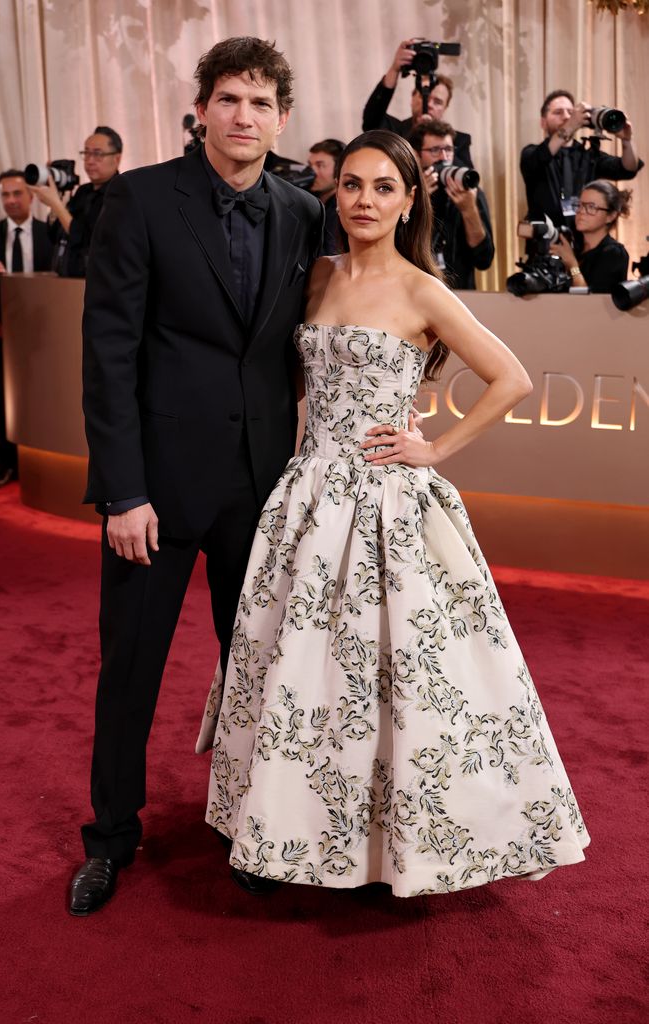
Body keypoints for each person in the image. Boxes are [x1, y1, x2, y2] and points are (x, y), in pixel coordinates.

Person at [200, 129, 590, 898]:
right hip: (307, 496)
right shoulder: (313, 275)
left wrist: (437, 449)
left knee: (396, 676)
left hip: (388, 506)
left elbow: (510, 379)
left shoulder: (422, 289)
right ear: (334, 193)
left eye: (384, 187)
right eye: (351, 185)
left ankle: (393, 845)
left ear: (410, 200)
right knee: (302, 672)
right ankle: (285, 830)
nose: (364, 200)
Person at [69, 36, 323, 916]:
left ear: (281, 117)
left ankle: (248, 828)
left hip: (263, 489)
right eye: (229, 99)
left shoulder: (301, 212)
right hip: (158, 491)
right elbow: (109, 355)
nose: (244, 116)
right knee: (130, 665)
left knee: (255, 670)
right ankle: (109, 836)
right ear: (202, 110)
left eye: (260, 103)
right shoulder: (138, 200)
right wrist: (123, 491)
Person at [0, 169, 54, 487]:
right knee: (2, 402)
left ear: (31, 197)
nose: (11, 200)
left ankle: (42, 464)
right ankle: (6, 461)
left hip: (43, 336)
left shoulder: (50, 233)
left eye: (17, 193)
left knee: (42, 399)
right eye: (4, 194)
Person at [520, 89, 642, 233]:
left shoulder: (588, 155)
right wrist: (570, 125)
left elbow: (627, 169)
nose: (566, 117)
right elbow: (541, 157)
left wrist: (627, 140)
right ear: (543, 122)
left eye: (570, 113)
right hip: (545, 242)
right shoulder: (531, 153)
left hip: (583, 243)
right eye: (558, 112)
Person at [362, 38, 473, 167]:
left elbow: (466, 177)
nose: (429, 104)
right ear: (412, 98)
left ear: (445, 108)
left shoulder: (458, 141)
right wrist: (395, 69)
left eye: (437, 102)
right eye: (423, 96)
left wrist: (443, 147)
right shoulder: (395, 132)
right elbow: (371, 119)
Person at [410, 119, 493, 289]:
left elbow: (484, 260)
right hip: (418, 292)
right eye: (434, 150)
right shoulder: (407, 193)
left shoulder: (470, 191)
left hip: (461, 294)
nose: (444, 157)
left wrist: (469, 211)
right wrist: (417, 201)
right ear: (417, 155)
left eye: (448, 149)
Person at [31, 126, 122, 277]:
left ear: (117, 158)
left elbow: (89, 239)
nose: (90, 161)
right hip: (67, 278)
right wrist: (57, 200)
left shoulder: (121, 193)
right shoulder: (82, 191)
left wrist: (56, 204)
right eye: (86, 153)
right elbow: (56, 235)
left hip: (98, 282)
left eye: (97, 154)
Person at [550, 179, 631, 294]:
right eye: (580, 205)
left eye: (591, 207)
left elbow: (590, 305)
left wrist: (572, 265)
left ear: (611, 216)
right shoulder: (575, 247)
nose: (581, 211)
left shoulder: (614, 253)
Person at [308, 138, 345, 256]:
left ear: (338, 170)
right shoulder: (308, 201)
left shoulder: (342, 207)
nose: (312, 172)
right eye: (310, 166)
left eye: (320, 165)